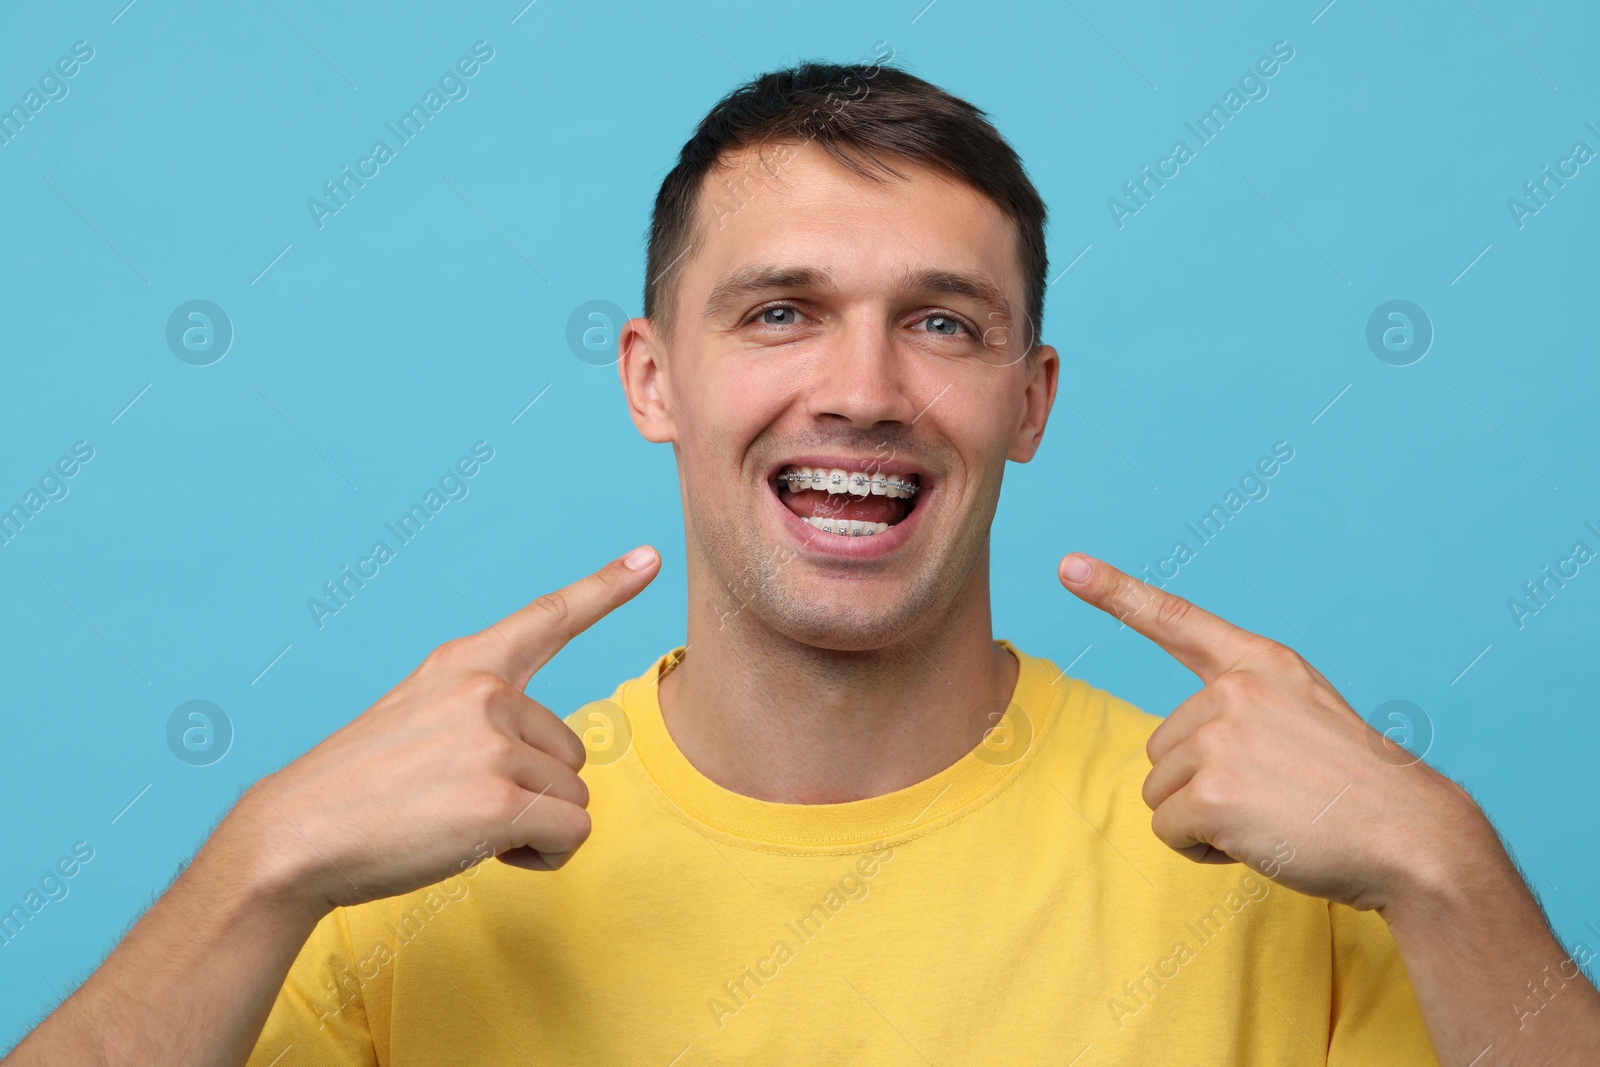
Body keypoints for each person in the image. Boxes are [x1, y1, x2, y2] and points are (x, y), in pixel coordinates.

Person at [6, 61, 1596, 1067]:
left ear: (1028, 402)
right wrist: (257, 859)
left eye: (943, 323)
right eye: (779, 311)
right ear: (651, 379)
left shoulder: (1286, 875)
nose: (862, 388)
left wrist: (1450, 869)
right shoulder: (394, 875)